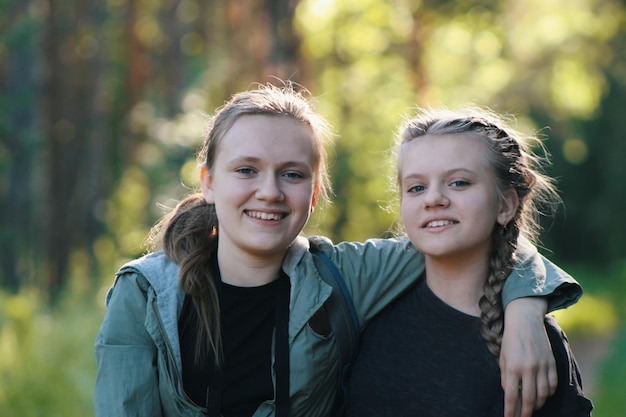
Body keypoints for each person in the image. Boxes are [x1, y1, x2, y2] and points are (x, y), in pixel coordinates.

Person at [94, 85, 583, 417]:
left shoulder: (342, 276)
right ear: (208, 183)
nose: (269, 191)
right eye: (246, 170)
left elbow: (466, 236)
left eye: (292, 173)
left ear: (314, 192)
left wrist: (523, 309)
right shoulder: (145, 295)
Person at [349, 107, 593, 417]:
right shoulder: (365, 309)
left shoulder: (533, 341)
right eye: (417, 187)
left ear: (505, 205)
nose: (433, 199)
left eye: (459, 183)